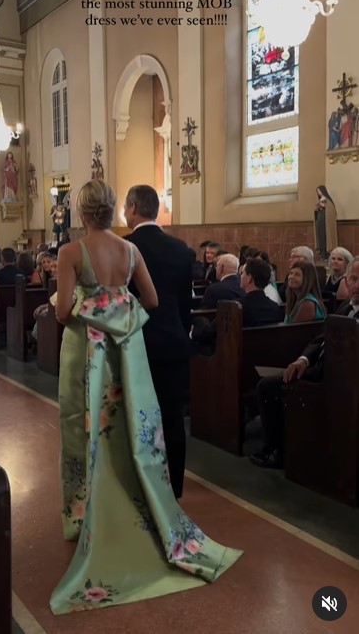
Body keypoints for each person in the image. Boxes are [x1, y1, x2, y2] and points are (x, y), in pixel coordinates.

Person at [50, 180, 242, 615]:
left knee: (84, 427)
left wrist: (87, 304)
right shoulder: (130, 251)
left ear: (80, 213)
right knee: (132, 428)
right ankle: (145, 503)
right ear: (116, 209)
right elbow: (152, 301)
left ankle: (84, 514)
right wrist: (117, 306)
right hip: (126, 354)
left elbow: (62, 312)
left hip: (87, 355)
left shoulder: (70, 253)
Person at [249, 257, 359, 469]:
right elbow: (321, 337)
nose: (356, 285)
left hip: (338, 379)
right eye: (352, 279)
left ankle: (277, 452)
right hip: (320, 369)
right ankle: (278, 448)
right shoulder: (347, 305)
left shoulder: (310, 303)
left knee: (268, 387)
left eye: (358, 279)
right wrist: (303, 359)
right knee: (272, 381)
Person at [124, 185, 194, 500]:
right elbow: (184, 307)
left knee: (136, 414)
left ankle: (140, 485)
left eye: (126, 208)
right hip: (175, 343)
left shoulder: (123, 247)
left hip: (136, 344)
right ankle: (174, 488)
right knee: (172, 417)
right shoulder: (182, 250)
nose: (124, 214)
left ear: (134, 207)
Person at [314, 185, 338, 260]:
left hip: (326, 223)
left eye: (320, 191)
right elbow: (316, 210)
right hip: (320, 222)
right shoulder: (320, 200)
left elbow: (331, 210)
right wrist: (317, 208)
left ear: (323, 191)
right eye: (318, 191)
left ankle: (327, 254)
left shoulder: (328, 201)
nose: (319, 193)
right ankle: (322, 253)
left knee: (326, 237)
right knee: (321, 238)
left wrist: (324, 206)